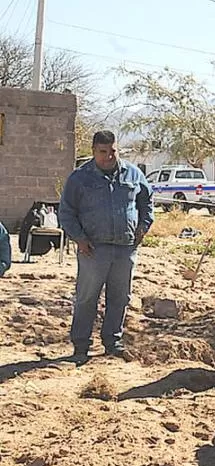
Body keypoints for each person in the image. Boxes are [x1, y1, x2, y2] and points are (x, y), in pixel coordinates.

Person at [59, 130, 153, 362]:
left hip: (125, 248)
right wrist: (79, 238)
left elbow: (147, 201)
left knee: (120, 297)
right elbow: (66, 212)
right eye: (103, 152)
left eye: (113, 151)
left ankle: (113, 341)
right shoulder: (79, 178)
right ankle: (81, 346)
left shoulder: (132, 173)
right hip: (93, 249)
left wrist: (143, 227)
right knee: (86, 298)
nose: (109, 156)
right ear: (93, 151)